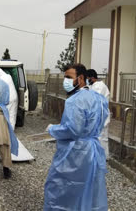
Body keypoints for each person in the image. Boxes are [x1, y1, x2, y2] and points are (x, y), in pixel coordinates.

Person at [44, 64, 109, 211]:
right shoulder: (99, 99)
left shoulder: (74, 101)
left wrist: (53, 129)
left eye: (68, 77)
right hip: (93, 150)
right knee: (91, 190)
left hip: (76, 153)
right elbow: (102, 120)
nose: (65, 81)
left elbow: (73, 130)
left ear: (80, 78)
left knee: (61, 187)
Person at [87, 69, 110, 159]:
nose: (87, 80)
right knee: (100, 137)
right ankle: (101, 157)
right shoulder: (94, 86)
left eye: (87, 78)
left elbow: (95, 101)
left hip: (101, 116)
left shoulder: (99, 87)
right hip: (98, 116)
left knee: (101, 137)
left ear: (92, 78)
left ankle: (102, 157)